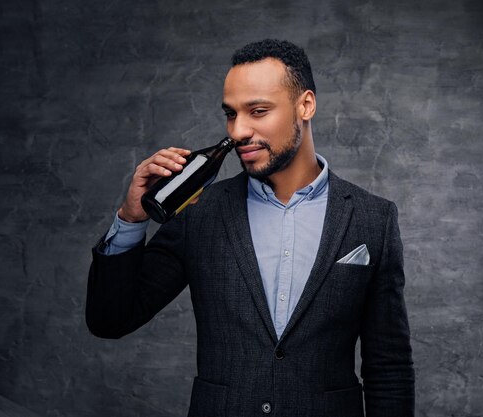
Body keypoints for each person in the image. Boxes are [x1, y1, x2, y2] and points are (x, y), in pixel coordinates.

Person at [86, 39, 415, 417]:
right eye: (230, 114)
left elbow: (388, 368)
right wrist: (130, 218)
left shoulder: (373, 219)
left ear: (305, 105)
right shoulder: (199, 212)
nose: (238, 130)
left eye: (257, 111)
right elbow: (109, 320)